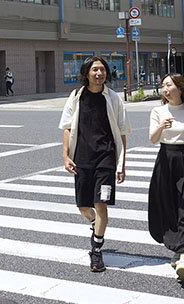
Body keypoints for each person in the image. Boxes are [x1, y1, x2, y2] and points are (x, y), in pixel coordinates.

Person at [59, 55, 131, 273]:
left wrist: (122, 163)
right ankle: (95, 224)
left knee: (101, 204)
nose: (100, 74)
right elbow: (67, 127)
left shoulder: (113, 98)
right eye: (95, 70)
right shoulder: (76, 96)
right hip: (82, 158)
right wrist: (65, 155)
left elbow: (122, 131)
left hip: (106, 159)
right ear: (86, 73)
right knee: (83, 206)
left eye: (103, 70)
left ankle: (96, 251)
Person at [148, 73, 184, 282]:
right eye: (163, 85)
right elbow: (153, 140)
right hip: (165, 159)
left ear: (180, 88)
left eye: (169, 85)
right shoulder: (158, 111)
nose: (165, 89)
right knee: (169, 207)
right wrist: (160, 126)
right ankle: (176, 248)